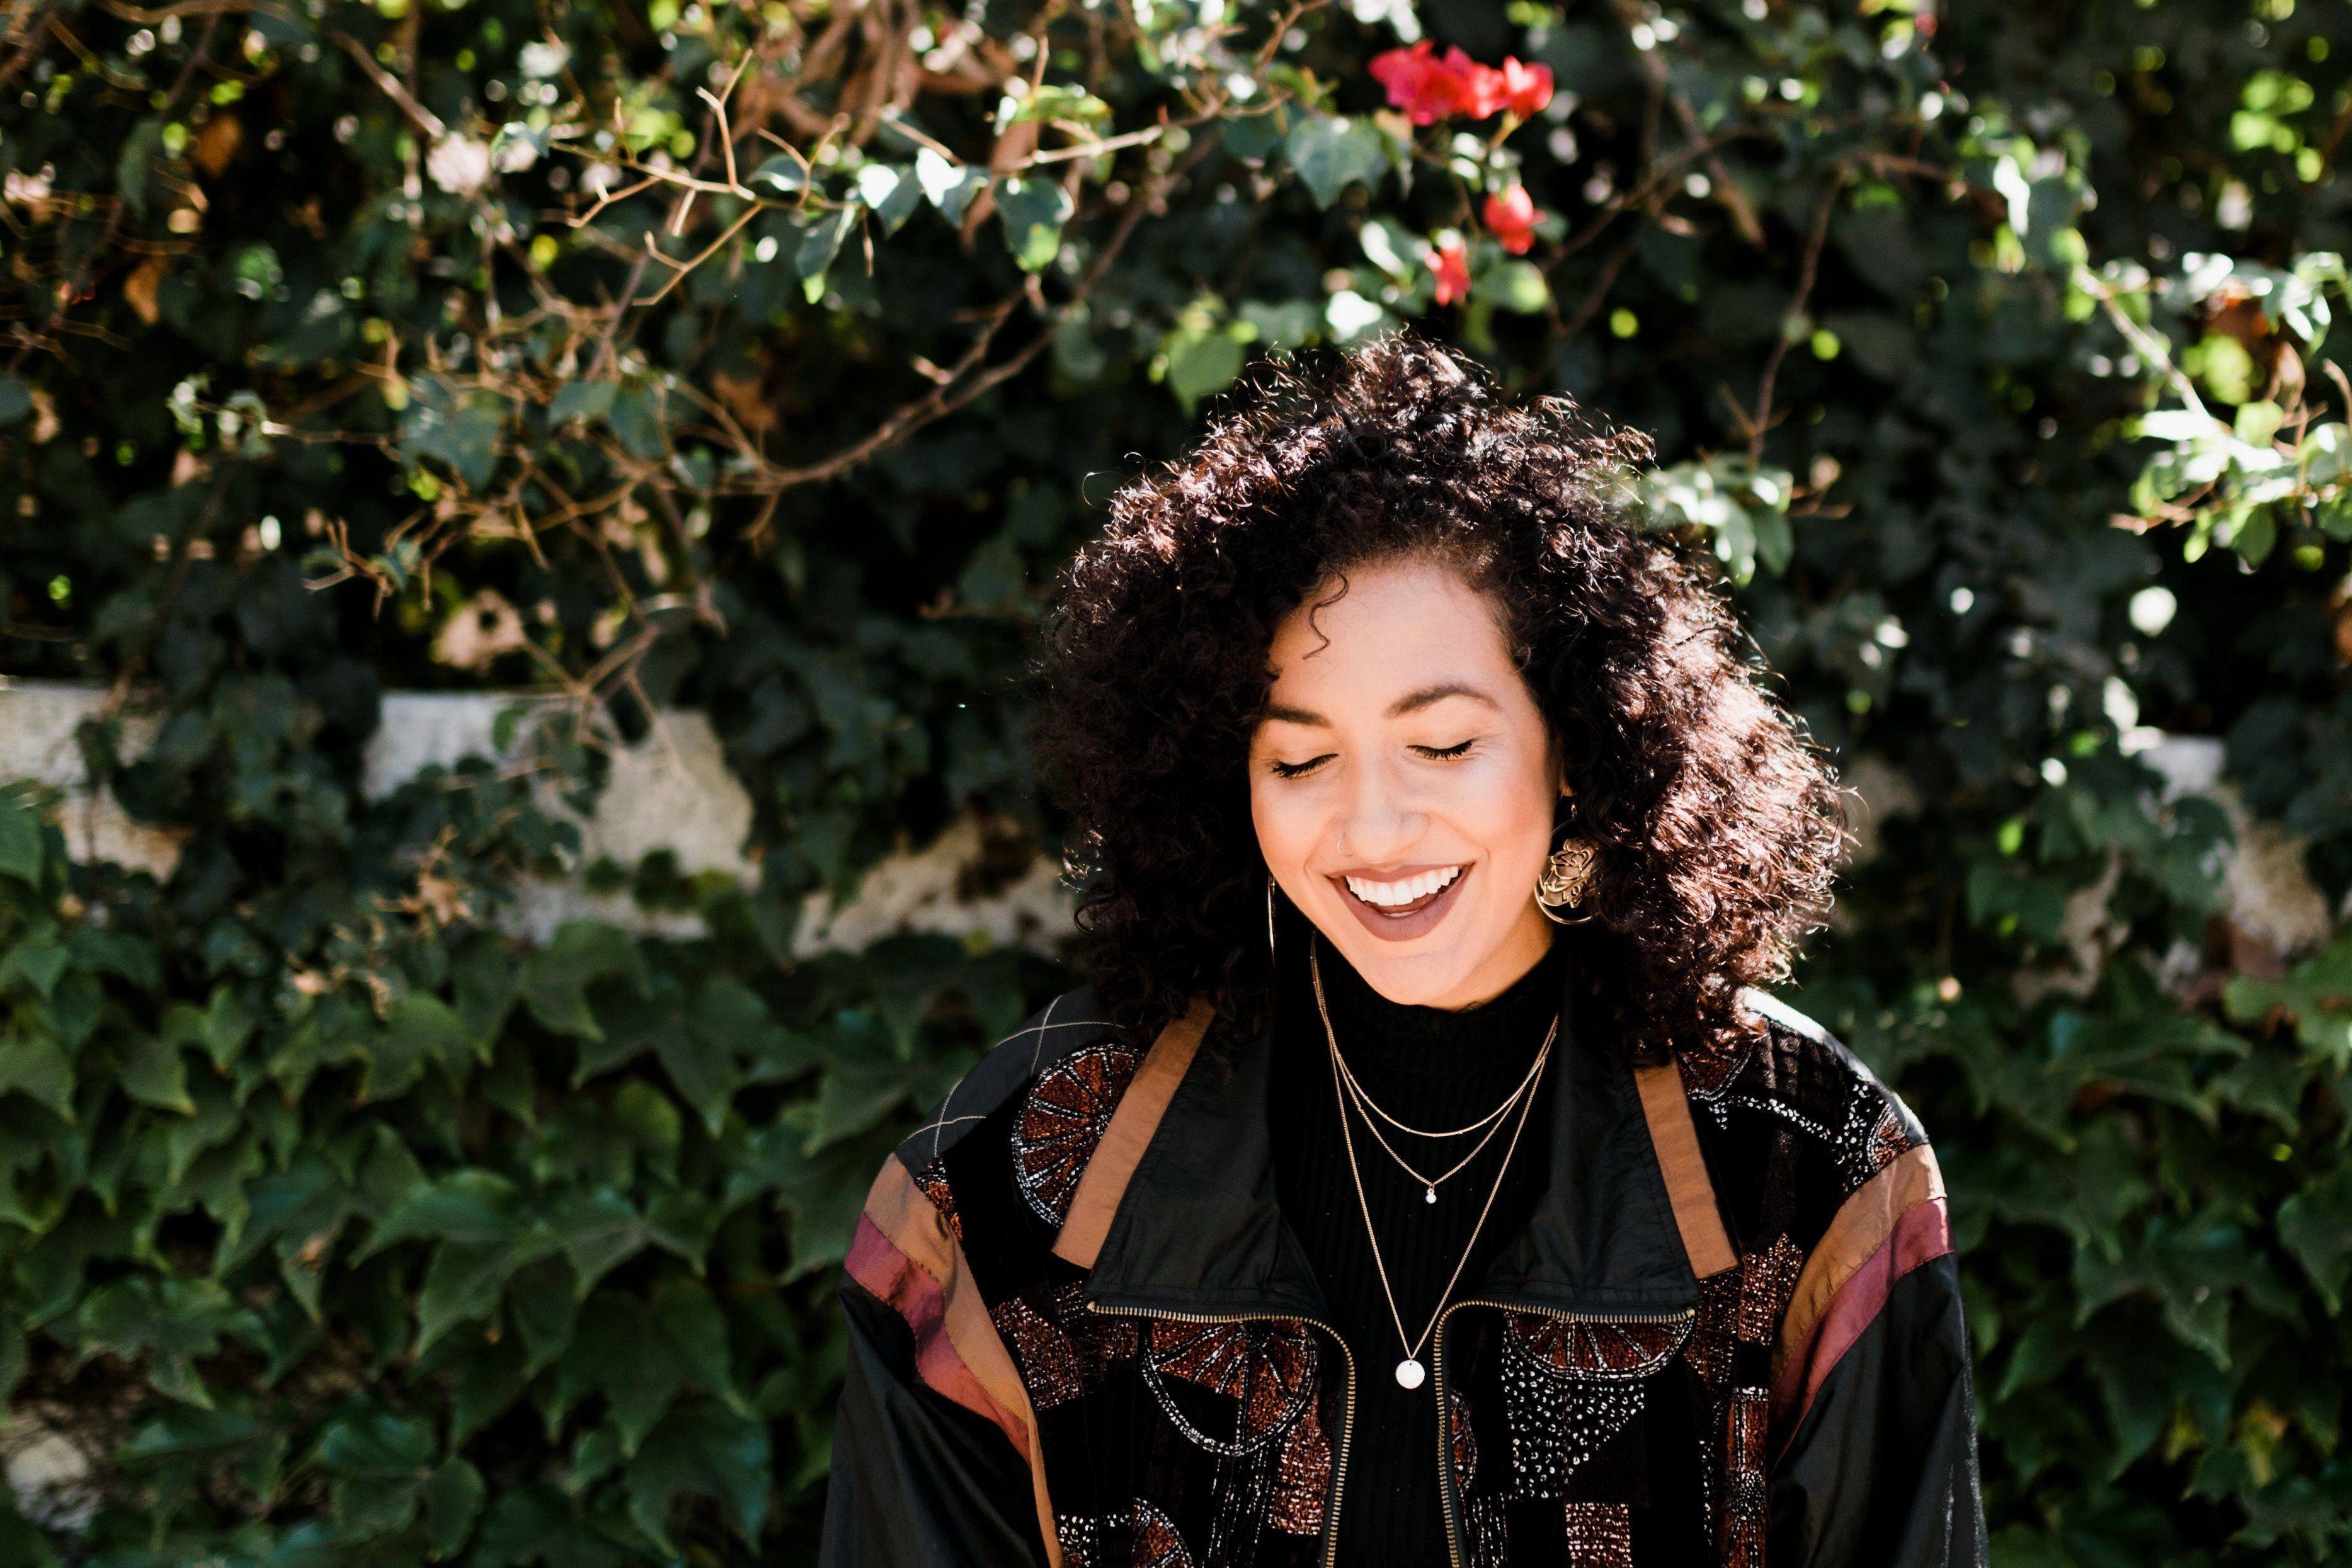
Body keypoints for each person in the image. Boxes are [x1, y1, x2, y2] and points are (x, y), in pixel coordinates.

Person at [816, 331, 1987, 1567]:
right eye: (1300, 758)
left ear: (1578, 743)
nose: (1370, 828)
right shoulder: (1003, 1186)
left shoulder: (1811, 1170)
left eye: (1441, 747)